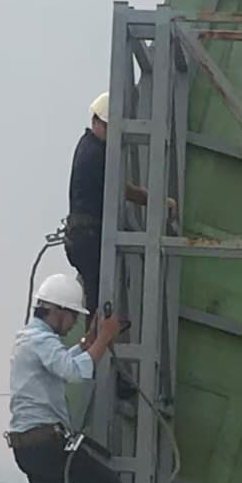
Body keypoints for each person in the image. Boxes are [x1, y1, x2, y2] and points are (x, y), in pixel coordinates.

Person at [0, 271, 154, 483]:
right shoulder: (39, 340)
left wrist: (90, 341)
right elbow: (75, 372)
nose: (72, 324)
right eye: (71, 316)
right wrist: (103, 339)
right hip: (45, 443)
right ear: (55, 311)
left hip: (30, 446)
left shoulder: (32, 338)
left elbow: (63, 361)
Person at [65, 91, 161, 318]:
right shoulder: (96, 154)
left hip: (80, 235)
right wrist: (158, 201)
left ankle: (96, 332)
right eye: (109, 127)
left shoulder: (87, 145)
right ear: (96, 122)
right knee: (97, 303)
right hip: (88, 237)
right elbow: (124, 190)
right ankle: (96, 336)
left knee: (95, 299)